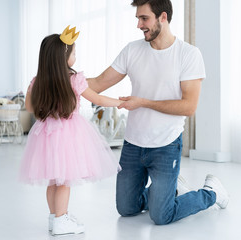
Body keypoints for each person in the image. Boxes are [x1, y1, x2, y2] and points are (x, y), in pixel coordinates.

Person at [87, 0, 229, 225]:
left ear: (163, 17)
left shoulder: (188, 54)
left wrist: (143, 102)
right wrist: (61, 80)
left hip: (166, 144)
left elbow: (189, 106)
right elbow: (97, 83)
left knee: (162, 216)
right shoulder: (132, 50)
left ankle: (211, 193)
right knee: (126, 208)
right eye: (138, 19)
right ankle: (170, 191)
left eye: (144, 19)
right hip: (134, 144)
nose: (139, 25)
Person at [19, 25, 122, 235]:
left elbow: (30, 108)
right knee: (64, 180)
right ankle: (61, 220)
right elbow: (98, 98)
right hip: (68, 134)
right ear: (63, 56)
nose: (75, 56)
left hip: (45, 133)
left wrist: (34, 92)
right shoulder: (75, 79)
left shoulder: (37, 81)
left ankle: (54, 217)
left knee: (53, 180)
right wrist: (120, 103)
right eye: (73, 52)